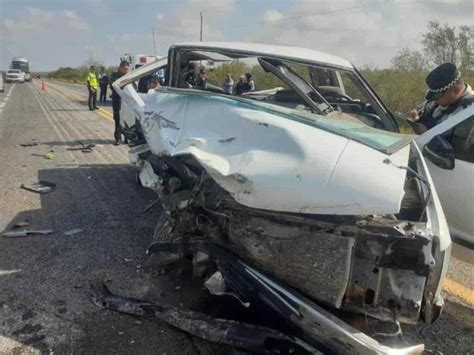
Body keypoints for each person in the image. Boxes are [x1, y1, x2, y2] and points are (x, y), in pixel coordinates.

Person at [409, 63, 473, 134]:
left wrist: (426, 135)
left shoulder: (469, 112)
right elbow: (423, 109)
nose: (434, 100)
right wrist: (417, 118)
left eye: (437, 96)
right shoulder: (441, 101)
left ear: (456, 90)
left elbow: (457, 144)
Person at [109, 60, 130, 145]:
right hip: (117, 100)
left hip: (126, 101)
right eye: (125, 69)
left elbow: (133, 87)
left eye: (127, 69)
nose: (126, 71)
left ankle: (126, 137)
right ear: (120, 68)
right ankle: (118, 138)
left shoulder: (128, 76)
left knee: (127, 120)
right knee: (117, 119)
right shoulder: (114, 76)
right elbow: (113, 86)